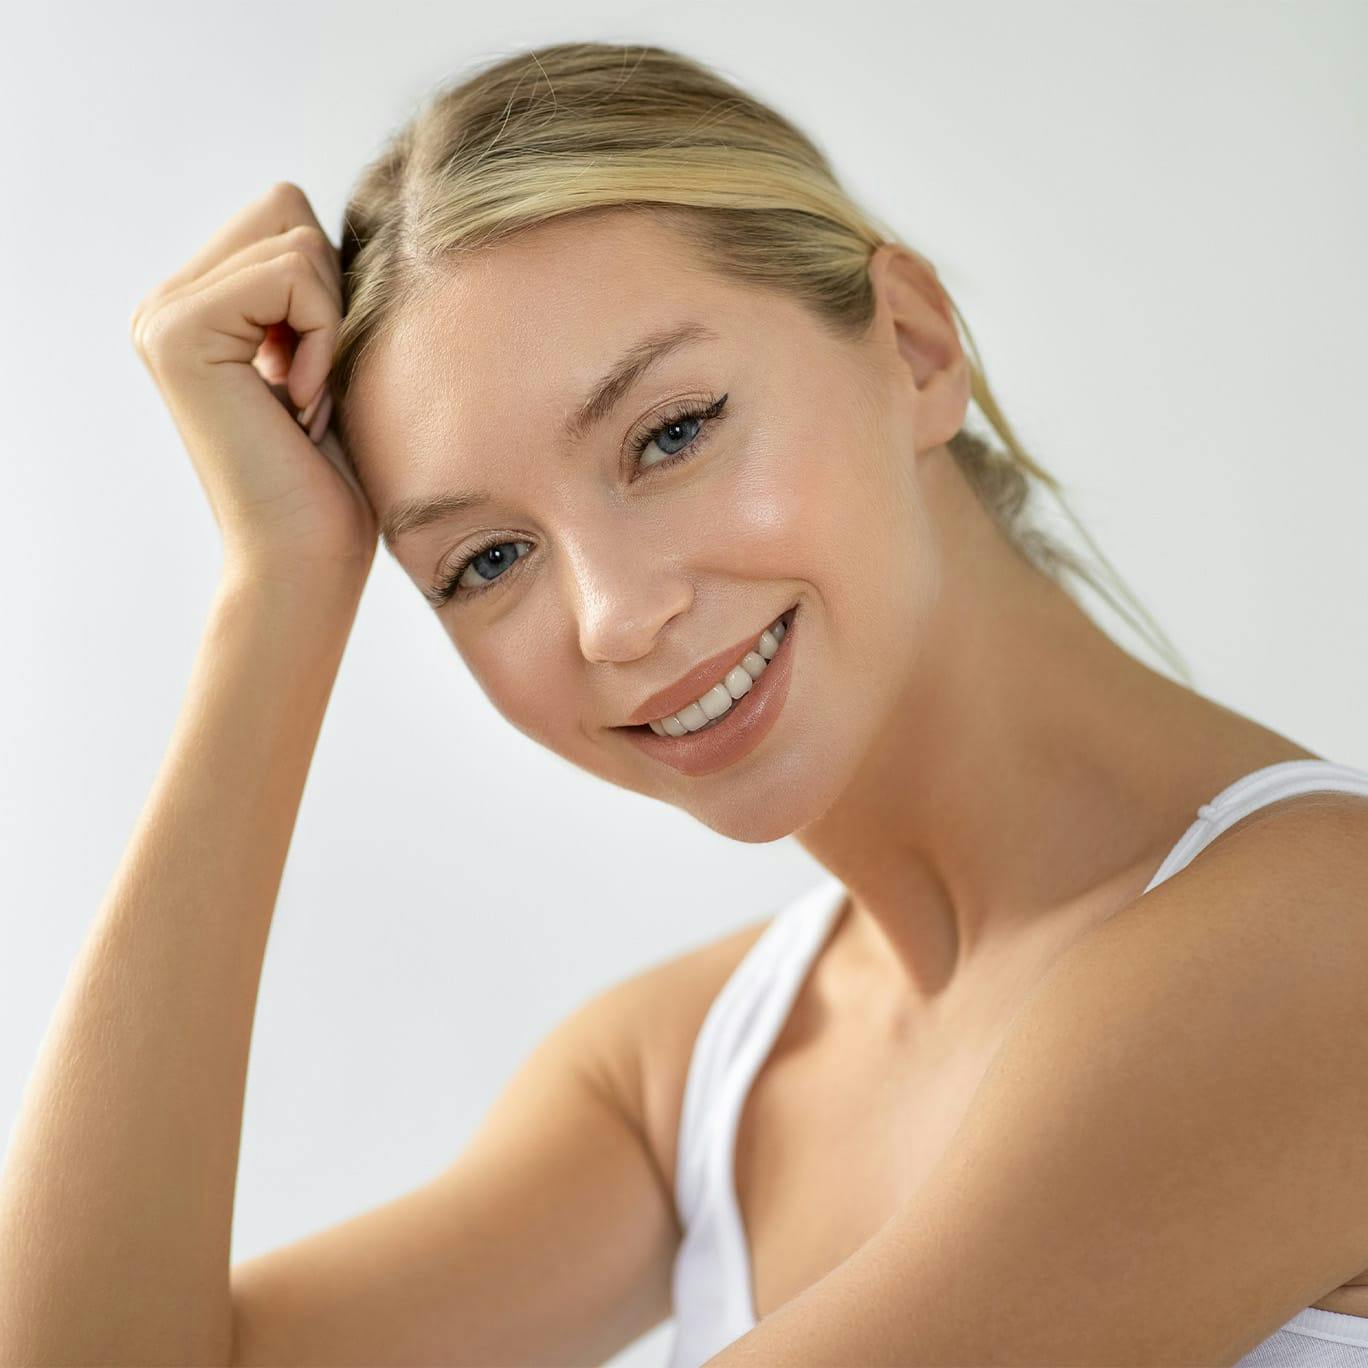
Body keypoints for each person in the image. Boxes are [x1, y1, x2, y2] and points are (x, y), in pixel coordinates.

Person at [3, 39, 1367, 1368]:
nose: (614, 615)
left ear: (914, 345)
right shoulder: (689, 1079)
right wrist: (277, 593)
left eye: (670, 432)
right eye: (484, 561)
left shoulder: (1320, 947)